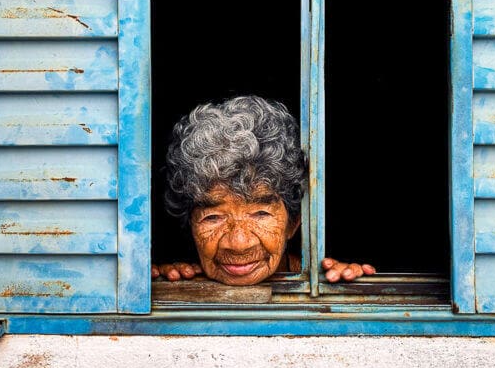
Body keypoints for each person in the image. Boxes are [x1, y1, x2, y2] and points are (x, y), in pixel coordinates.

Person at [151, 95, 375, 286]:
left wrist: (344, 285)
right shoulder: (180, 276)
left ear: (293, 223)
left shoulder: (319, 279)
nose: (239, 243)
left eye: (260, 213)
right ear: (190, 225)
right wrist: (161, 283)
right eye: (213, 217)